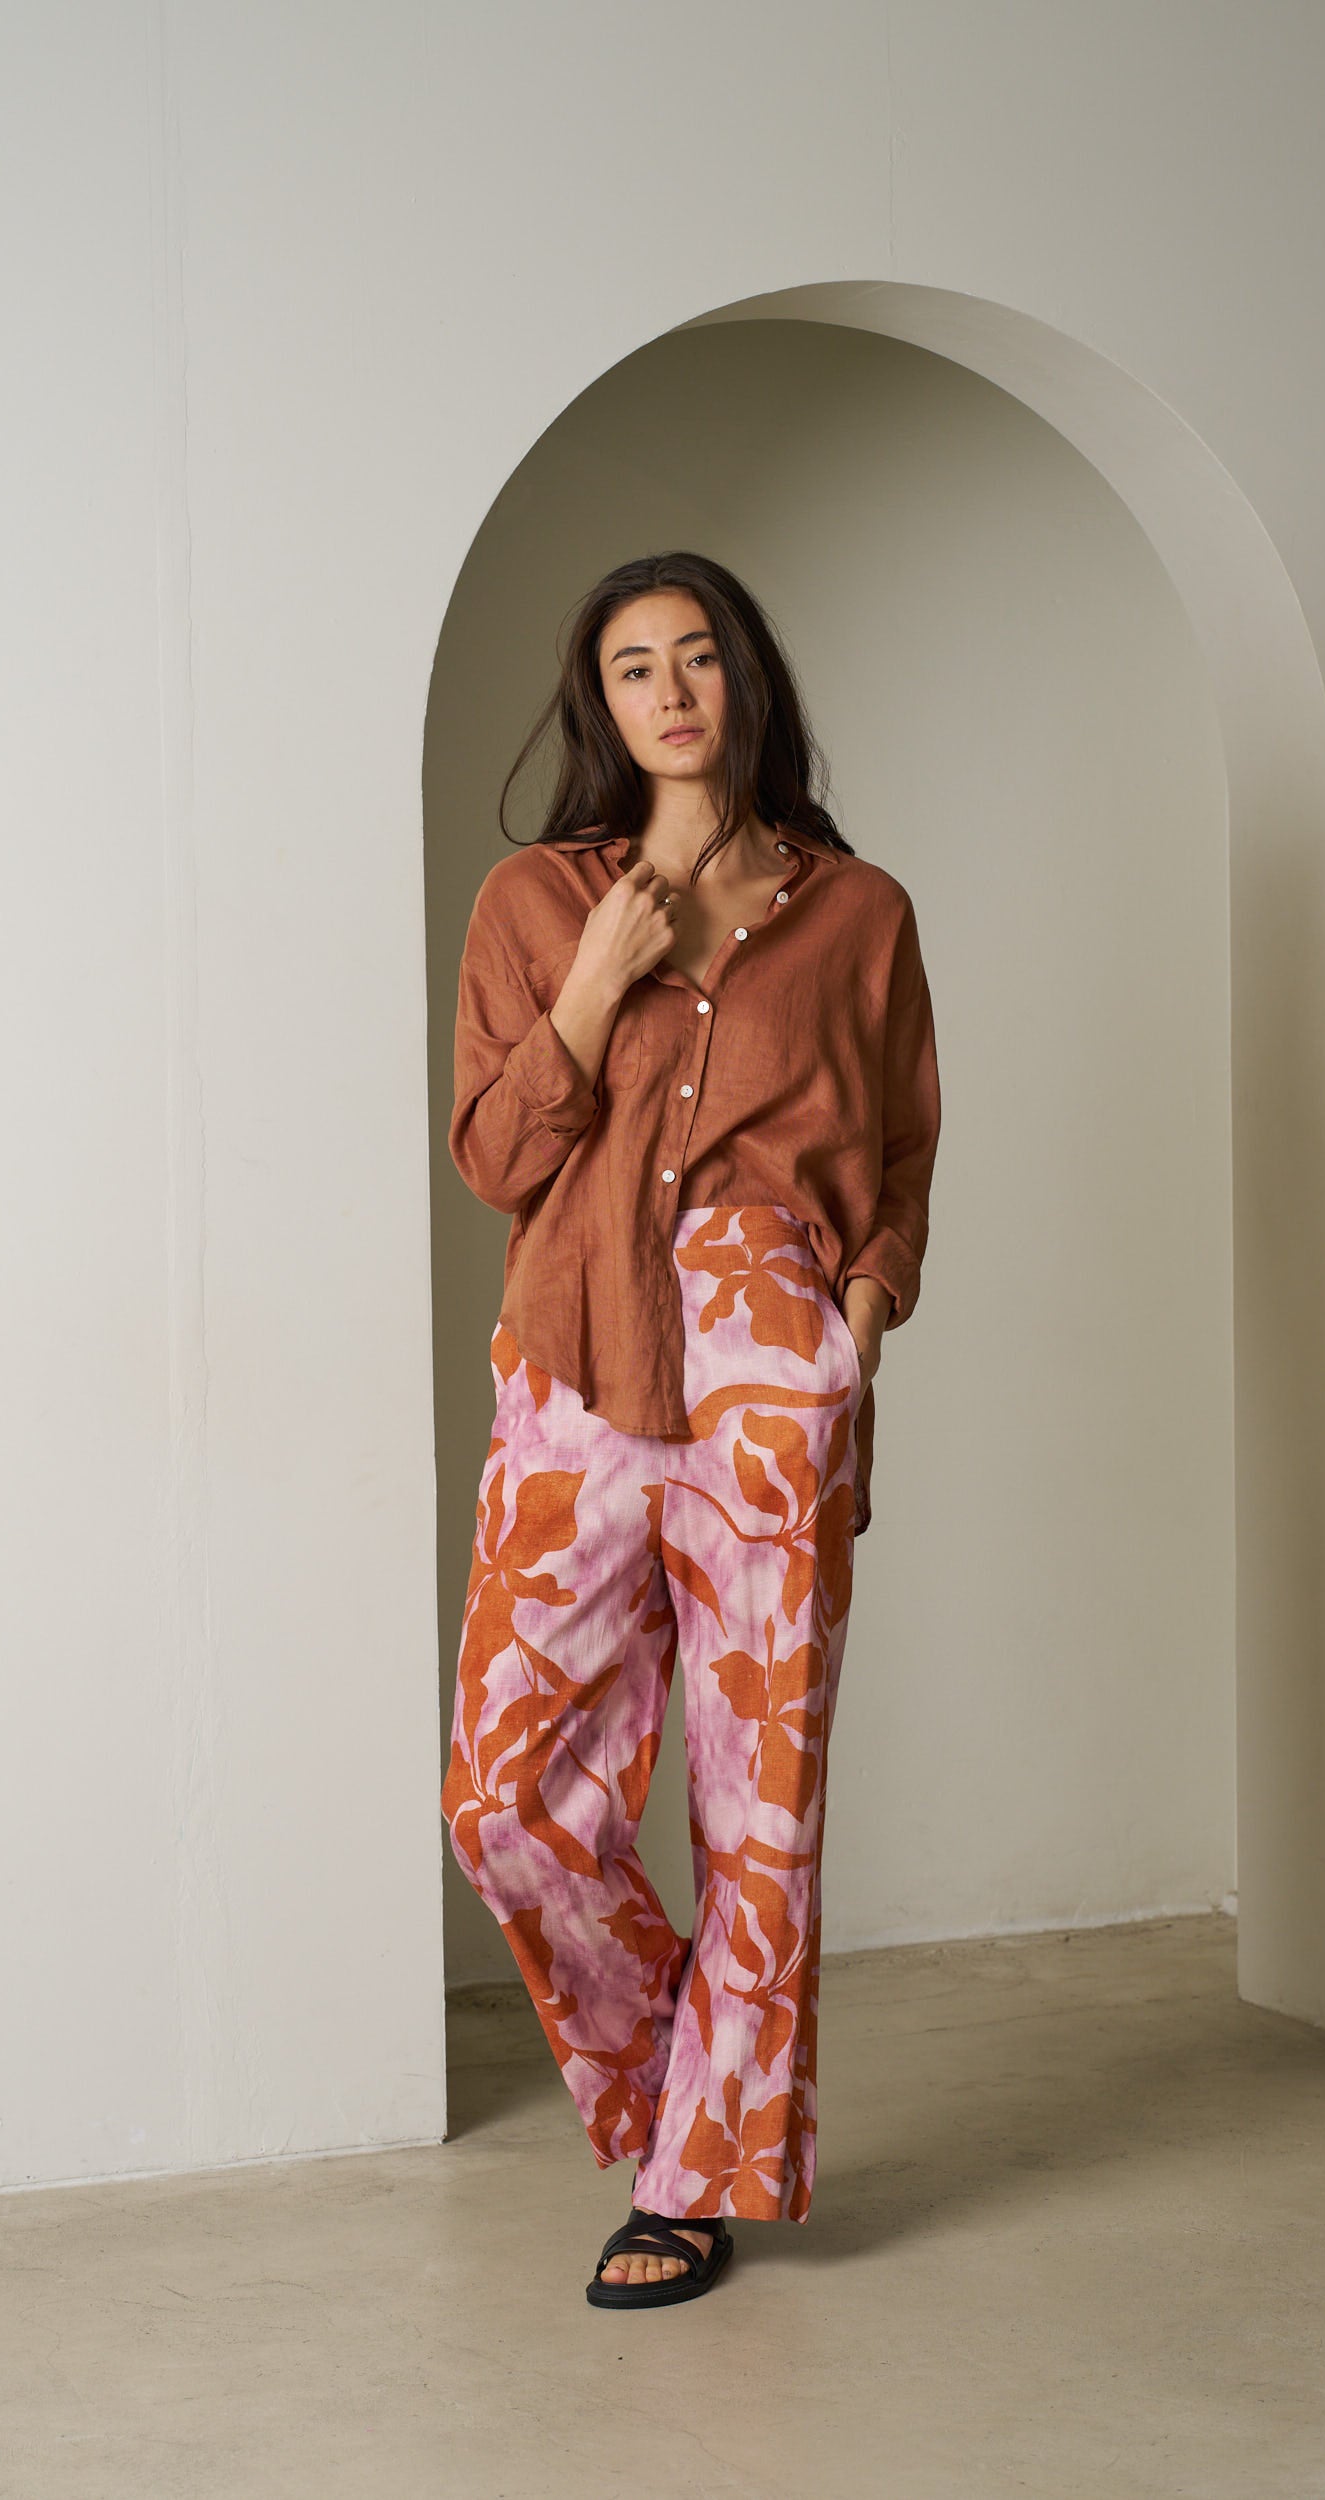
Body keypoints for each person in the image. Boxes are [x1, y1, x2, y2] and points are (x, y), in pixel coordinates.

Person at [439, 549, 941, 2308]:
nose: (669, 689)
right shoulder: (534, 899)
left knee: (764, 1805)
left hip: (769, 1368)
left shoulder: (858, 911)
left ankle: (692, 2181)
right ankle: (689, 2092)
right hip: (576, 1348)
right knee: (505, 1801)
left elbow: (898, 1153)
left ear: (745, 680)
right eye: (634, 666)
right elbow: (497, 1160)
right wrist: (595, 978)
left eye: (698, 655)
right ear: (603, 704)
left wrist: (853, 1325)